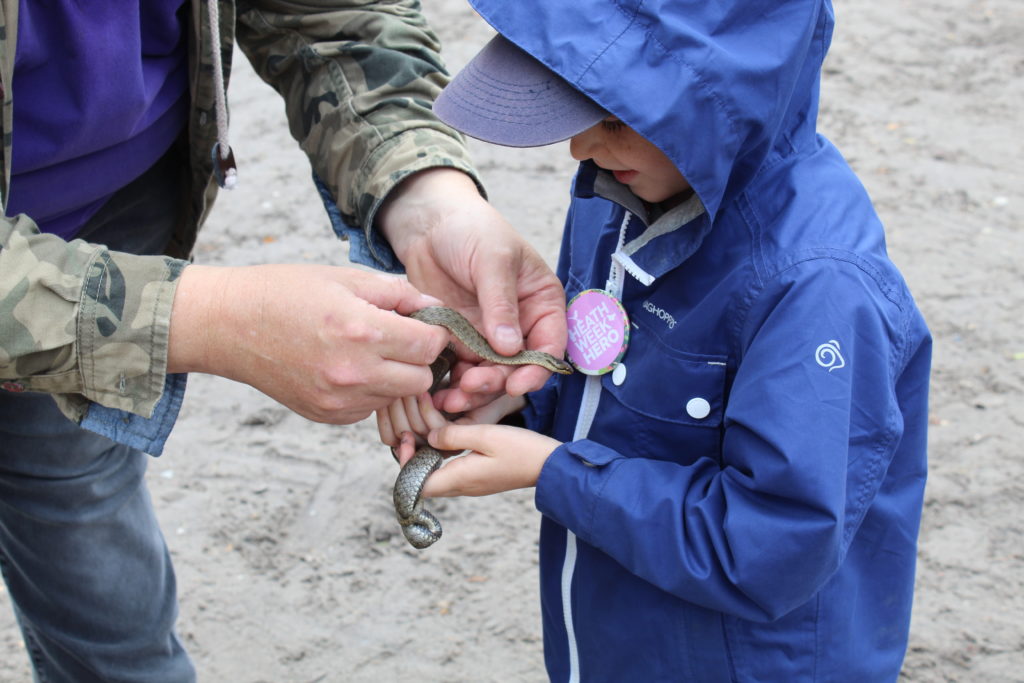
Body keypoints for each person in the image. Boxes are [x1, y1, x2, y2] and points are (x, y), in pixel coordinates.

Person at [0, 1, 565, 680]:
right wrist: (213, 320)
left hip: (110, 207)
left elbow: (330, 12)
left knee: (80, 508)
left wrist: (422, 187)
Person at [380, 1, 932, 680]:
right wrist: (518, 402)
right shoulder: (624, 188)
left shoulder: (817, 287)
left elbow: (773, 543)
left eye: (610, 117)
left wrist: (551, 469)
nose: (580, 147)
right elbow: (609, 379)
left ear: (718, 113)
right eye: (571, 111)